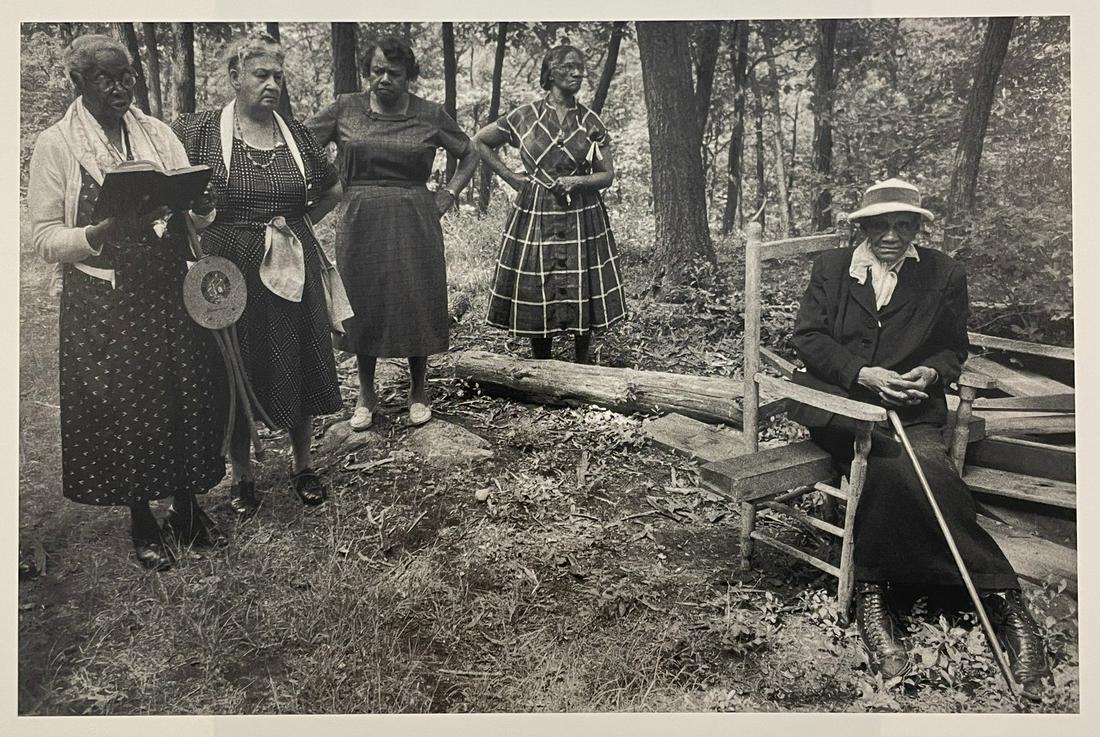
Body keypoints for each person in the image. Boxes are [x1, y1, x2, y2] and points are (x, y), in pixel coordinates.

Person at [790, 178, 1050, 697]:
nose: (891, 235)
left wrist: (929, 376)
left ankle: (878, 591)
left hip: (910, 407)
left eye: (903, 224)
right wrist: (862, 374)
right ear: (860, 227)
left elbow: (952, 349)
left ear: (917, 227)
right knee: (890, 459)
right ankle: (995, 598)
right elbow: (808, 338)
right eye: (880, 224)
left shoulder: (944, 273)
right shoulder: (831, 270)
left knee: (922, 467)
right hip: (841, 402)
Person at [27, 35, 226, 570]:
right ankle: (141, 518)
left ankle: (187, 509)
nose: (120, 88)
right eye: (105, 79)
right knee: (125, 404)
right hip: (104, 294)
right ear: (78, 83)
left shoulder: (158, 134)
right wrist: (98, 231)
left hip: (167, 284)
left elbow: (189, 214)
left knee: (185, 393)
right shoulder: (58, 145)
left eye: (127, 77)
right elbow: (44, 238)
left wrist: (201, 206)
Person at [172, 31, 344, 511]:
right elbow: (175, 195)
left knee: (301, 356)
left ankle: (302, 463)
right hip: (227, 265)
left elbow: (331, 189)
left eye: (278, 77)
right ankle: (242, 475)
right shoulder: (199, 131)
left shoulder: (297, 134)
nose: (272, 85)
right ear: (234, 77)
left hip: (292, 258)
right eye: (260, 74)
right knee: (235, 364)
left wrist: (297, 227)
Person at [306, 35, 477, 430]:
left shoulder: (430, 114)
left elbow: (470, 152)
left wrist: (448, 193)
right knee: (362, 297)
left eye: (394, 73)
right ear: (367, 72)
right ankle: (366, 396)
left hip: (415, 215)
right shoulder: (344, 108)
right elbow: (300, 143)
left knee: (416, 294)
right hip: (360, 216)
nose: (384, 79)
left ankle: (419, 390)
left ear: (409, 76)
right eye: (377, 71)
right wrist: (325, 184)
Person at [473, 44, 626, 364]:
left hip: (582, 212)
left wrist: (577, 182)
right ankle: (541, 365)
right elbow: (480, 141)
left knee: (583, 277)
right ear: (550, 72)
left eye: (581, 67)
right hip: (536, 209)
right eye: (569, 66)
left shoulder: (590, 121)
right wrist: (513, 178)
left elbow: (607, 175)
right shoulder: (524, 116)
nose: (577, 73)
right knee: (536, 279)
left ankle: (581, 364)